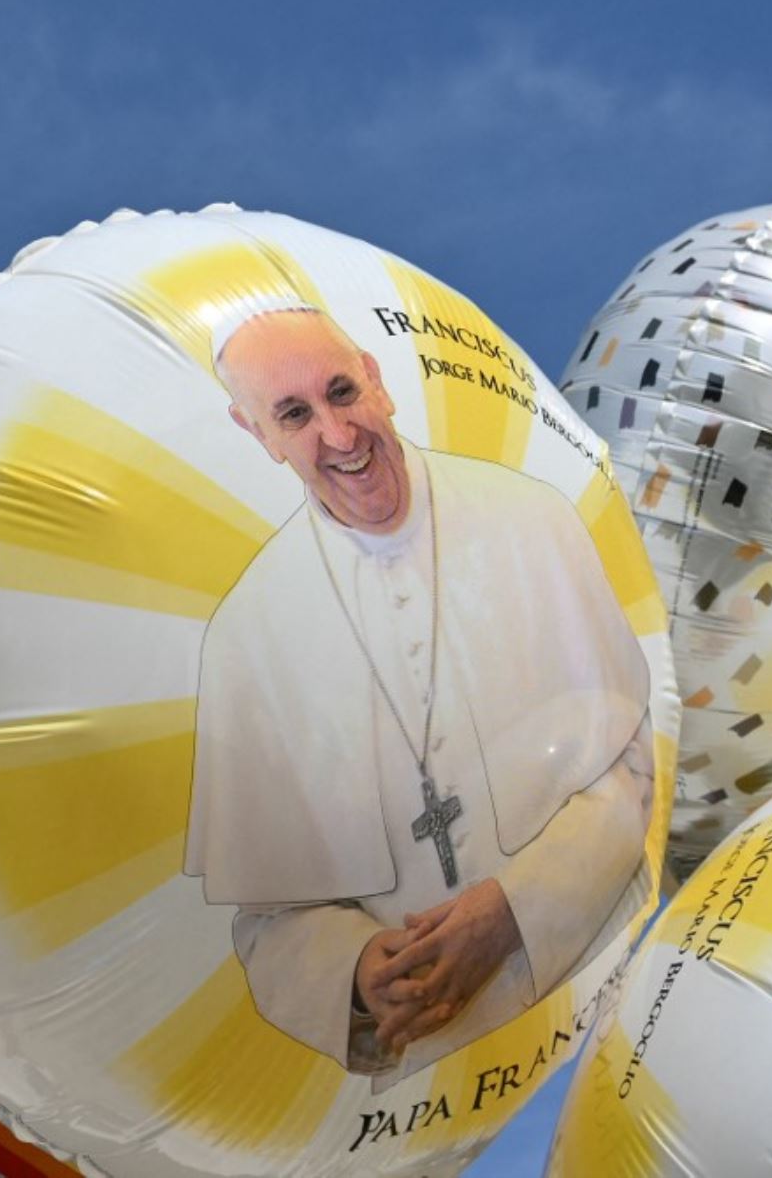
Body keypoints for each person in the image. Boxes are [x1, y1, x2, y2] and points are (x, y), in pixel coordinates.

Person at [182, 300, 652, 1087]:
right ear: (256, 432)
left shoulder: (530, 520)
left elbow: (628, 763)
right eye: (294, 414)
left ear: (377, 379)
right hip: (429, 1069)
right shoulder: (246, 634)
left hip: (606, 970)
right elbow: (269, 917)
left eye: (341, 391)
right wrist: (358, 970)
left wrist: (513, 911)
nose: (337, 434)